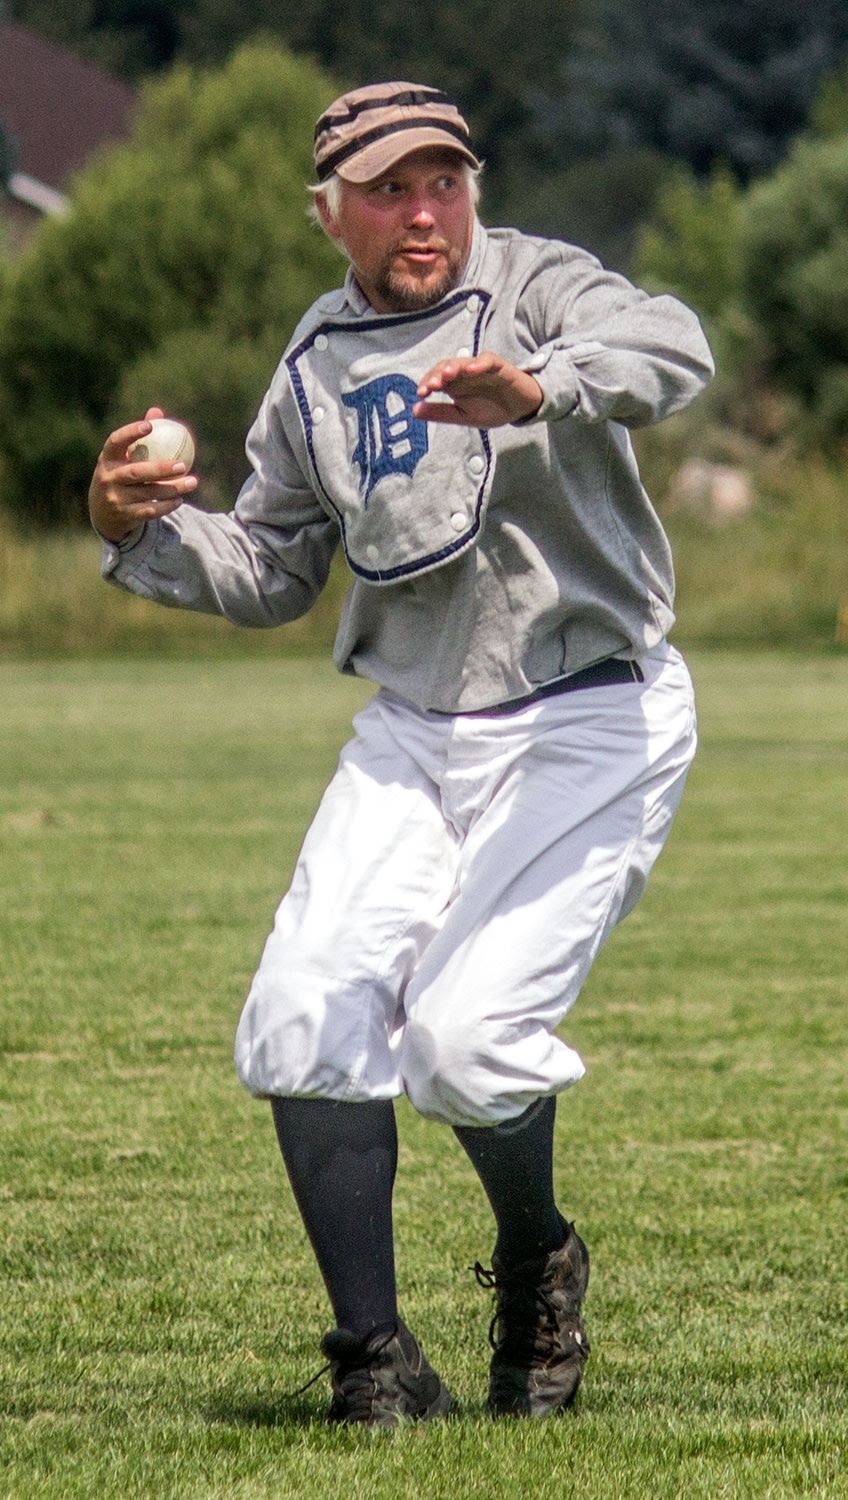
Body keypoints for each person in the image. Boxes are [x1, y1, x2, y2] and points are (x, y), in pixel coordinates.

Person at [88, 82, 714, 1428]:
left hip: (590, 707)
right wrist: (136, 526)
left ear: (471, 188)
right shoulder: (316, 363)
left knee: (467, 1043)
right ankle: (377, 1363)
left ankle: (537, 1258)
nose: (421, 208)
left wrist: (544, 384)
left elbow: (670, 346)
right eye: (386, 187)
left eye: (441, 179)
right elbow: (266, 566)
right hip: (416, 723)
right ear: (333, 214)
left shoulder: (537, 288)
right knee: (301, 1017)